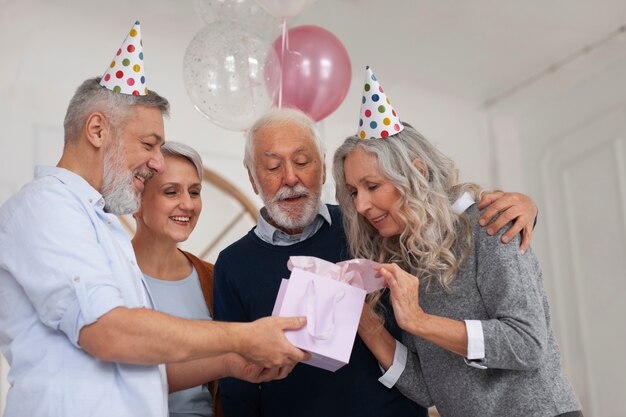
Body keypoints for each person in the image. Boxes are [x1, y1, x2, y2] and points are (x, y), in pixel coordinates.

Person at [0, 73, 308, 416]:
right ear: (97, 130)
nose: (158, 162)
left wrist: (234, 363)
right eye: (149, 145)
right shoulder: (47, 206)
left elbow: (138, 369)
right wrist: (243, 337)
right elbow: (108, 332)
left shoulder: (100, 224)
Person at [213, 107, 539, 417]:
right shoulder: (233, 265)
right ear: (253, 178)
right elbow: (235, 382)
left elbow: (439, 222)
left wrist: (521, 206)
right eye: (272, 167)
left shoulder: (371, 227)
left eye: (302, 161)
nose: (290, 178)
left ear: (324, 168)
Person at [331, 69, 581, 416]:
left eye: (372, 186)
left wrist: (419, 321)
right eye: (355, 192)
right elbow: (427, 389)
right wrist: (368, 326)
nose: (360, 205)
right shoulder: (407, 261)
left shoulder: (490, 224)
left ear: (417, 172)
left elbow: (527, 344)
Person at [132, 141, 230, 417]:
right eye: (171, 191)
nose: (187, 204)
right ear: (136, 200)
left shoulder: (212, 277)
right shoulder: (107, 274)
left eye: (195, 191)